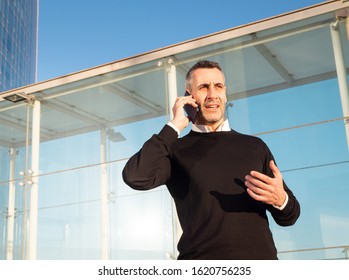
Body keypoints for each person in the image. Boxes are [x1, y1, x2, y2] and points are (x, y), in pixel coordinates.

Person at [122, 60, 300, 260]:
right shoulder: (175, 150)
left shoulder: (255, 146)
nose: (212, 94)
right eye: (203, 87)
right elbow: (135, 176)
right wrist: (174, 126)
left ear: (225, 93)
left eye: (218, 86)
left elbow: (290, 217)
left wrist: (281, 200)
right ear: (189, 96)